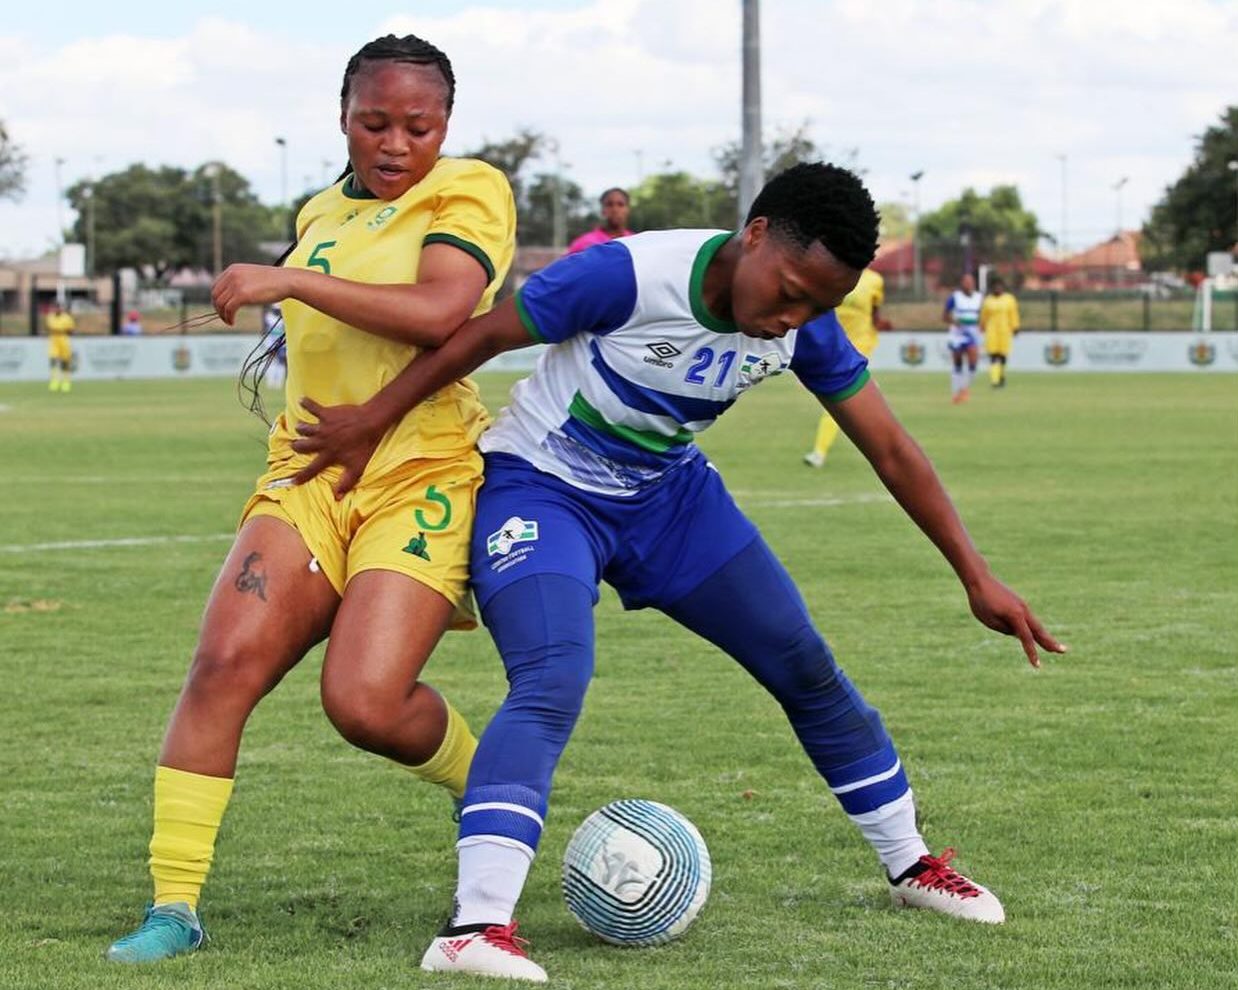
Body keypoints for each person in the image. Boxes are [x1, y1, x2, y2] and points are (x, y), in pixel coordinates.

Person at [291, 163, 1065, 983]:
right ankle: (474, 929)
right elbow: (479, 338)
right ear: (756, 234)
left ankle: (911, 867)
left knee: (804, 664)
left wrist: (974, 575)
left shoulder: (803, 324)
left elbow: (893, 449)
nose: (791, 318)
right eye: (792, 290)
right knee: (552, 678)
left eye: (817, 306)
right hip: (542, 491)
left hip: (671, 502)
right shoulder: (627, 274)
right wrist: (370, 422)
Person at [105, 33, 517, 964]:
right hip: (308, 473)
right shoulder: (320, 209)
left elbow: (442, 311)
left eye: (419, 125)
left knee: (364, 703)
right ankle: (174, 906)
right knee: (222, 665)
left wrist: (288, 277)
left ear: (445, 127)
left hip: (422, 474)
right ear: (342, 118)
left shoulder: (469, 191)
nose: (396, 143)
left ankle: (485, 786)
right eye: (375, 121)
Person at [803, 265, 889, 466]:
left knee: (841, 399)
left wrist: (880, 324)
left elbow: (875, 314)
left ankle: (819, 453)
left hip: (861, 346)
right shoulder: (836, 273)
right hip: (835, 345)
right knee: (845, 400)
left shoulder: (875, 280)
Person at [944, 272, 982, 403]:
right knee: (958, 363)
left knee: (973, 363)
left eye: (971, 281)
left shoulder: (979, 297)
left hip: (972, 334)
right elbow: (945, 316)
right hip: (957, 335)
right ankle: (955, 393)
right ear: (962, 283)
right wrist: (955, 322)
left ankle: (965, 389)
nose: (969, 284)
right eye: (966, 281)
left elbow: (982, 315)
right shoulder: (955, 297)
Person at [565, 187, 633, 254]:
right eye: (609, 204)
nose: (615, 209)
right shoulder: (583, 244)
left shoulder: (635, 242)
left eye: (620, 204)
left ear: (628, 209)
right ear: (602, 210)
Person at [981, 276, 1020, 387]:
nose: (998, 288)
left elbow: (1013, 314)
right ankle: (994, 380)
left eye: (1000, 286)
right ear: (992, 288)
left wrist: (1015, 326)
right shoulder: (988, 300)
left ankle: (1001, 376)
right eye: (995, 286)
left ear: (1003, 287)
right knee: (993, 356)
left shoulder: (1009, 299)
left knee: (1003, 356)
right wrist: (982, 326)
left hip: (1004, 331)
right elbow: (984, 316)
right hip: (991, 331)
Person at [45, 302, 75, 392]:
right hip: (54, 339)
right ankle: (54, 382)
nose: (57, 309)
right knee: (53, 360)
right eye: (55, 308)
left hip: (63, 339)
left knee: (65, 362)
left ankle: (66, 383)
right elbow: (48, 328)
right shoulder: (50, 317)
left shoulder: (67, 318)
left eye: (58, 308)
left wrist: (64, 331)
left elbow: (71, 330)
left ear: (61, 308)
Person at [260, 302, 287, 388]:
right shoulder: (268, 317)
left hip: (281, 344)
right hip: (271, 343)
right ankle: (271, 382)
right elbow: (264, 331)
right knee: (272, 362)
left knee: (280, 363)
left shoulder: (283, 319)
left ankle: (278, 382)